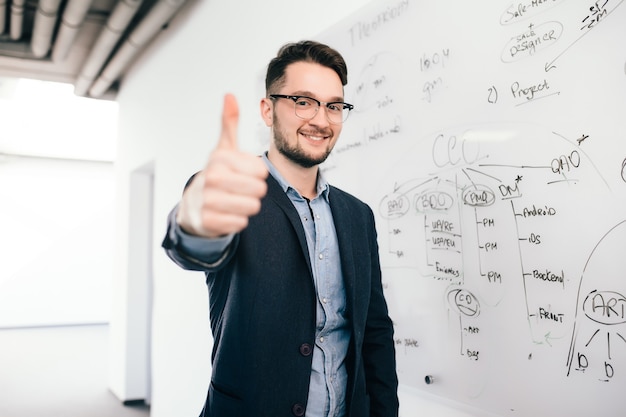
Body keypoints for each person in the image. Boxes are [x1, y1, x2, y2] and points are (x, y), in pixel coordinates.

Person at [162, 40, 399, 417]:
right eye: (303, 101)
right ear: (268, 110)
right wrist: (196, 224)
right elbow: (195, 247)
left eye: (334, 106)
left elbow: (374, 333)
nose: (321, 120)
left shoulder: (358, 216)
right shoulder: (232, 193)